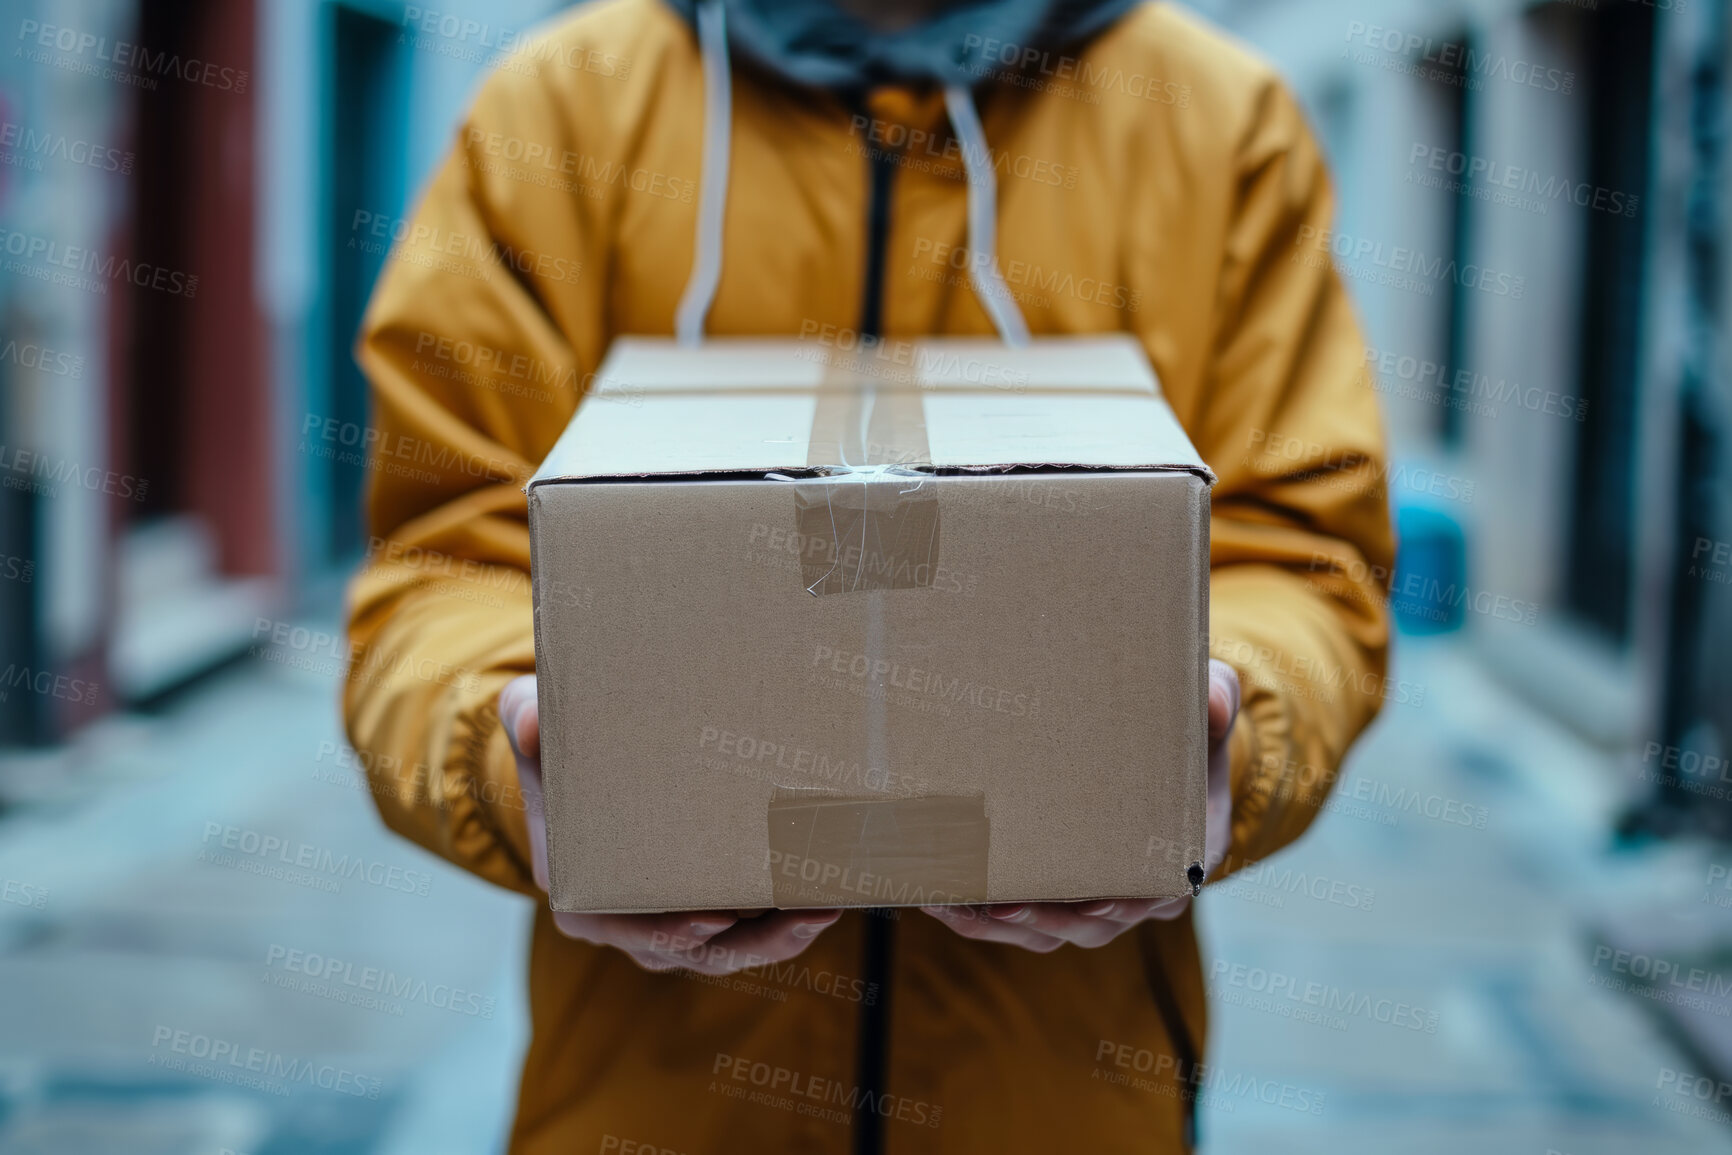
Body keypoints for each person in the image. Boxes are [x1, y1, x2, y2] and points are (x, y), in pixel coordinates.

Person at [344, 0, 1394, 1150]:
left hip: (1063, 1098)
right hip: (653, 1102)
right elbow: (447, 558)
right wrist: (518, 768)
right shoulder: (560, 106)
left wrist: (1218, 741)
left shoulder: (1216, 120)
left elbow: (1299, 554)